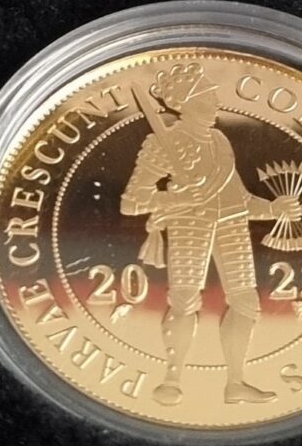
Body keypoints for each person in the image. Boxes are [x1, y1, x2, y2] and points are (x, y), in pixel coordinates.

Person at [120, 63, 285, 405]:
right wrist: (180, 198)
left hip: (231, 225)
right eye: (208, 97)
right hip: (189, 225)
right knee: (184, 302)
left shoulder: (221, 141)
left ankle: (236, 383)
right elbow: (132, 202)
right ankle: (172, 380)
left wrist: (274, 209)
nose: (216, 104)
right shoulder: (163, 142)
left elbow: (240, 200)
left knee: (246, 303)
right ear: (187, 102)